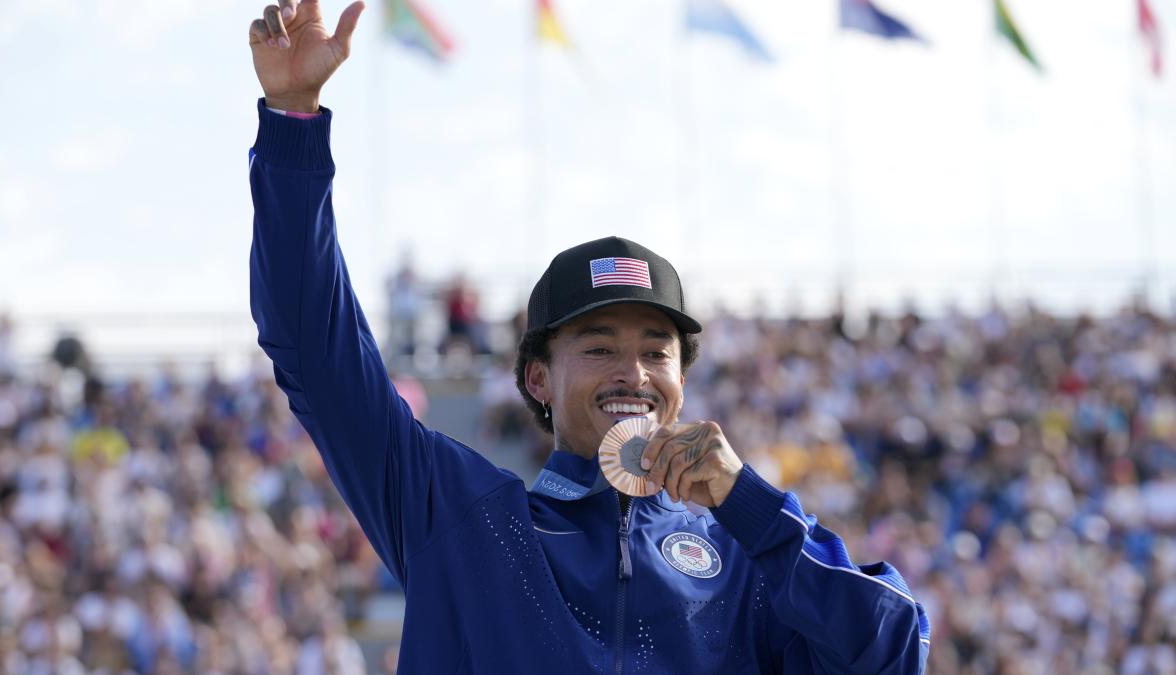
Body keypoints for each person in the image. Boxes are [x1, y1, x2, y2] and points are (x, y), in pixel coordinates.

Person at [246, 1, 930, 671]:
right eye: (599, 346)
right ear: (538, 377)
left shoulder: (751, 557)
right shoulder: (460, 518)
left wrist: (749, 504)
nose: (633, 372)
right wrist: (293, 125)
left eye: (656, 350)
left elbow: (894, 650)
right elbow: (316, 352)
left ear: (682, 381)